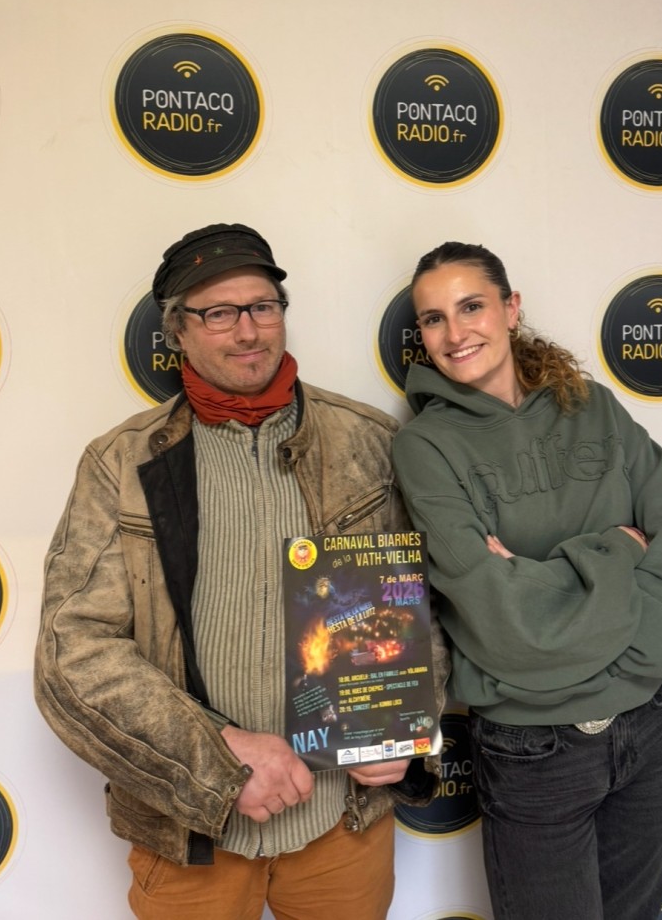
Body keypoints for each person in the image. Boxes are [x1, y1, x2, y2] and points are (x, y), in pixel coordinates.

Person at [34, 223, 448, 920]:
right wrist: (219, 761)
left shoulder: (369, 442)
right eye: (219, 313)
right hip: (192, 832)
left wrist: (404, 734)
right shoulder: (121, 463)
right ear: (177, 330)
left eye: (262, 306)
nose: (248, 330)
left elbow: (424, 609)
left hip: (341, 825)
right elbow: (72, 653)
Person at [391, 241, 662, 920]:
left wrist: (539, 577)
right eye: (433, 318)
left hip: (649, 723)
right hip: (534, 750)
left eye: (471, 306)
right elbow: (502, 618)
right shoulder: (425, 446)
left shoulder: (593, 407)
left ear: (511, 309)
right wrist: (618, 550)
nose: (454, 333)